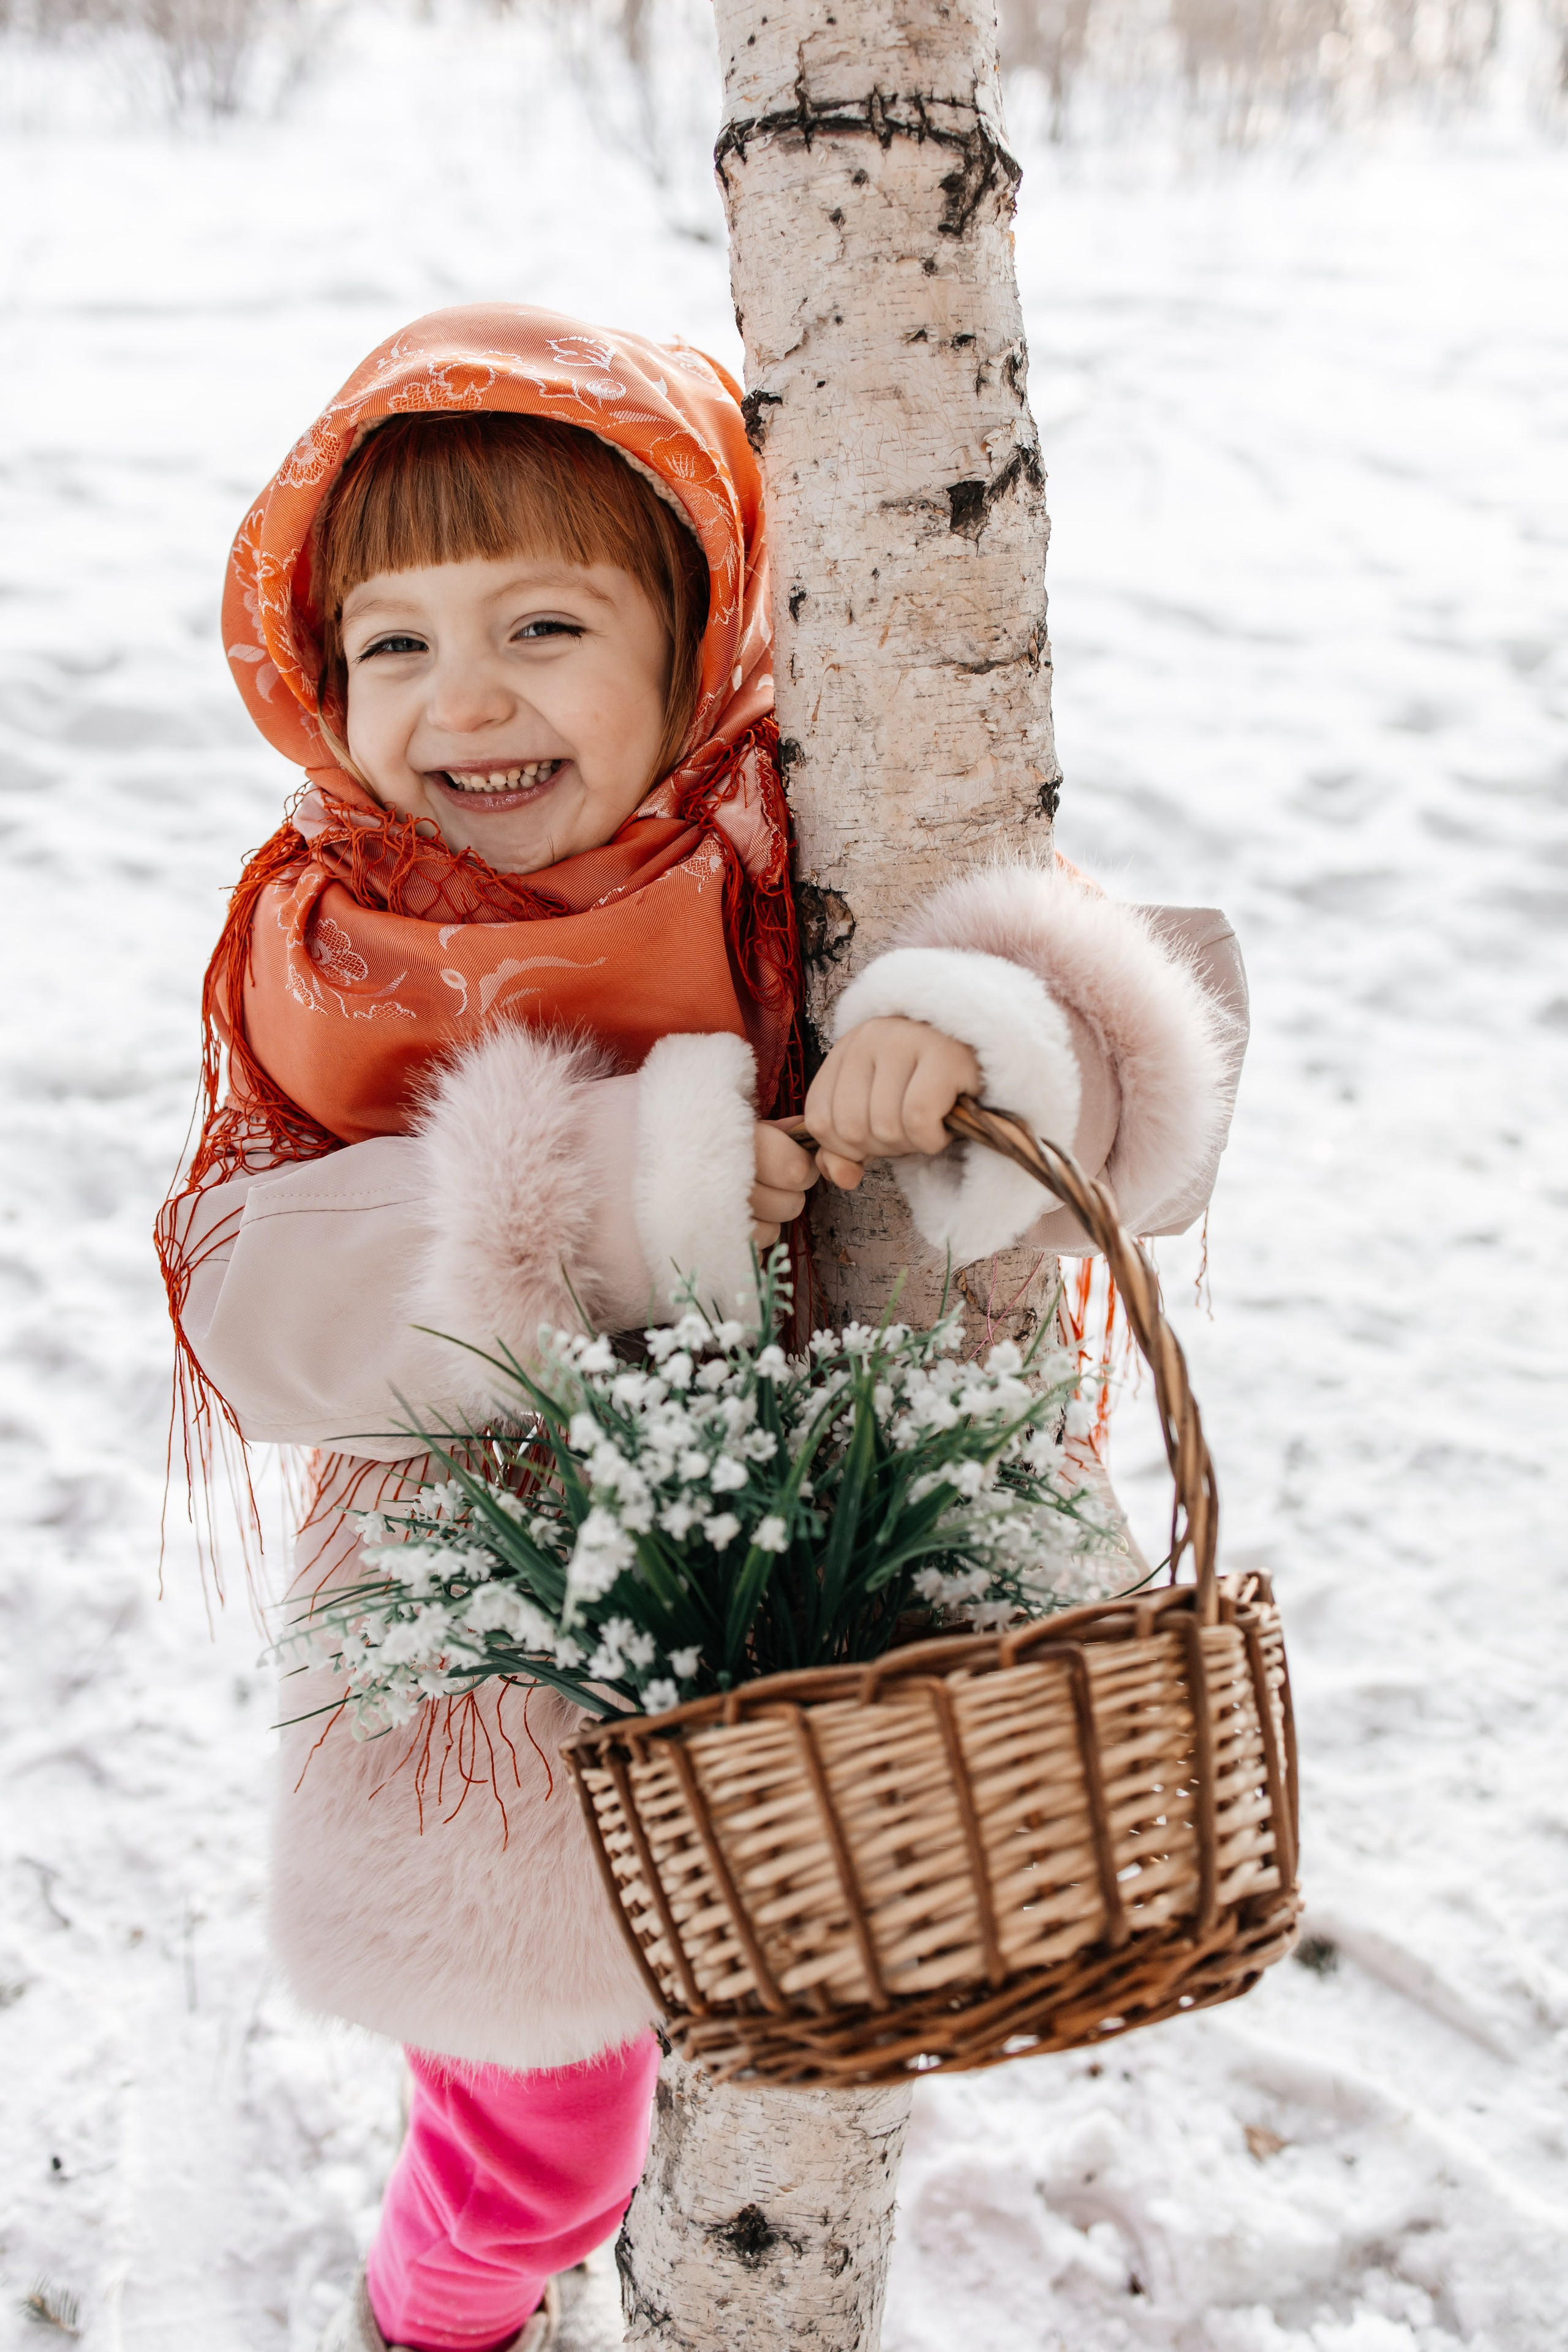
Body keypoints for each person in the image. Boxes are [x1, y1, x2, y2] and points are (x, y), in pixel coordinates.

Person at [158, 305, 1248, 2352]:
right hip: (500, 1671)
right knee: (540, 2144)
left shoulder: (808, 856)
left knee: (797, 2013)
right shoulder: (328, 949)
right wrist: (620, 1194)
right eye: (392, 642)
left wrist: (975, 1031)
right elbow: (254, 1307)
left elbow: (1150, 1065)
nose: (460, 700)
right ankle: (444, 2317)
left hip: (830, 1604)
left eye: (544, 626)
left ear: (695, 639)